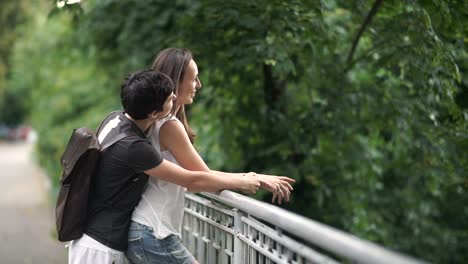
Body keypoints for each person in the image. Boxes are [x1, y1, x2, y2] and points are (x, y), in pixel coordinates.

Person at [68, 70, 261, 264]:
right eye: (170, 98)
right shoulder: (134, 147)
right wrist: (242, 182)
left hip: (91, 240)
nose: (175, 97)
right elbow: (192, 179)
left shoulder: (115, 119)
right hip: (100, 250)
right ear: (154, 113)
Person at [126, 48, 296, 264]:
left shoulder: (155, 121)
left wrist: (252, 177)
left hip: (145, 230)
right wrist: (252, 180)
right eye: (194, 79)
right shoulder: (168, 125)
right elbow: (201, 179)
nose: (199, 85)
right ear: (176, 82)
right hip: (152, 232)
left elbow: (199, 175)